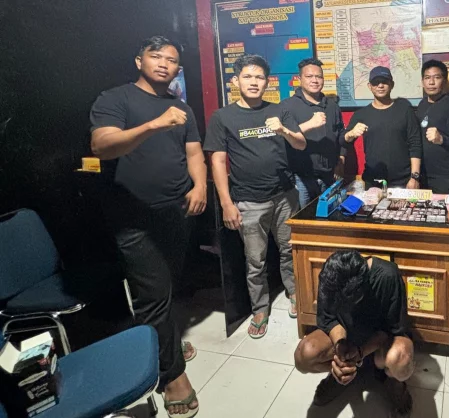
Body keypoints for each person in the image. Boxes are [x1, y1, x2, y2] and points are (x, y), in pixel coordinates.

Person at [89, 36, 204, 417]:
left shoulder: (181, 107)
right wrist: (155, 124)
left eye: (171, 60)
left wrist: (200, 185)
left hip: (175, 212)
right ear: (139, 60)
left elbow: (193, 152)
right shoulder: (116, 98)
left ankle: (162, 344)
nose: (164, 64)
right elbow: (102, 145)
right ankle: (171, 375)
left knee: (166, 287)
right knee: (152, 295)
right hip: (134, 218)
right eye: (156, 56)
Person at [204, 54, 306, 338]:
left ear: (267, 82)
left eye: (259, 77)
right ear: (235, 80)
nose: (253, 82)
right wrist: (226, 203)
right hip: (248, 201)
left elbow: (300, 144)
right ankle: (260, 309)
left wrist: (283, 129)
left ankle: (294, 292)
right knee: (255, 260)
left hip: (285, 196)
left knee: (289, 250)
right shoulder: (222, 117)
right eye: (247, 76)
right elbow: (217, 161)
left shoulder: (280, 110)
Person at [294, 250, 414, 416]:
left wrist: (360, 352)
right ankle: (340, 373)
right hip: (348, 339)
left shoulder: (388, 276)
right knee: (303, 355)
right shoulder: (332, 275)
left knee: (401, 358)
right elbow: (327, 319)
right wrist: (340, 347)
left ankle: (394, 383)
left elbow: (392, 329)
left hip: (379, 344)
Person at [282, 58, 347, 207]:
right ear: (300, 79)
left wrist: (341, 159)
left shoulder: (332, 106)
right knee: (303, 217)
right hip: (301, 179)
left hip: (330, 176)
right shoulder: (287, 106)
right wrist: (309, 124)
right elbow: (282, 137)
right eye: (309, 76)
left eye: (319, 76)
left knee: (330, 217)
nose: (315, 80)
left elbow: (340, 134)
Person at [344, 66, 422, 188]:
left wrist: (415, 177)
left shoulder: (405, 111)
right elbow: (344, 141)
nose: (380, 85)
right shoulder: (361, 114)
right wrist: (350, 134)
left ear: (392, 84)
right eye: (376, 82)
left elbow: (415, 144)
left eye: (384, 81)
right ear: (370, 86)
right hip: (372, 181)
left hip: (403, 181)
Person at [415, 60, 449, 194]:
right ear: (422, 82)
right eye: (427, 78)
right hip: (423, 174)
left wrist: (441, 139)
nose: (431, 82)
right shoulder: (422, 104)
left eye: (437, 77)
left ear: (444, 81)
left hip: (445, 177)